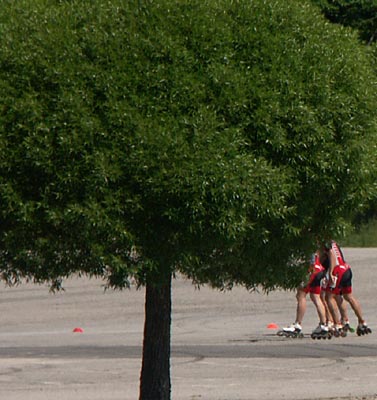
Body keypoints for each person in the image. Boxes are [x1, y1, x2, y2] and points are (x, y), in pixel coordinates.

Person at [320, 240, 371, 336]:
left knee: (329, 297)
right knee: (348, 296)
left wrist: (330, 272)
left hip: (337, 270)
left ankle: (337, 324)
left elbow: (331, 254)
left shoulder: (325, 242)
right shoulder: (333, 242)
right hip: (346, 268)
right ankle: (361, 322)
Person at [279, 252, 331, 339]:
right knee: (315, 297)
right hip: (319, 269)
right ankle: (323, 325)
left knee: (301, 295)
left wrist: (309, 270)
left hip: (312, 269)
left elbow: (310, 257)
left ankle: (297, 324)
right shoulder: (315, 240)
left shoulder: (306, 240)